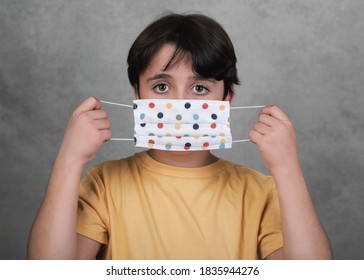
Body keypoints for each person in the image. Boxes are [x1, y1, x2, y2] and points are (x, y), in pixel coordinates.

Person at [27, 13, 332, 259]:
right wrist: (69, 159)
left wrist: (287, 169)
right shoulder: (104, 185)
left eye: (200, 88)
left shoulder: (260, 192)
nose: (179, 103)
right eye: (161, 87)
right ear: (137, 95)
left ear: (227, 98)